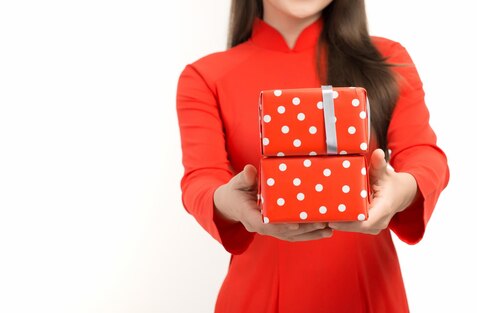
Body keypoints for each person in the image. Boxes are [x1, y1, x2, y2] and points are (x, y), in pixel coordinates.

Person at [175, 0, 450, 311]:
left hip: (367, 291)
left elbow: (423, 154)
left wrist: (404, 188)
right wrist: (227, 202)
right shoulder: (205, 77)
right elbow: (201, 178)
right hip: (259, 295)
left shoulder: (387, 58)